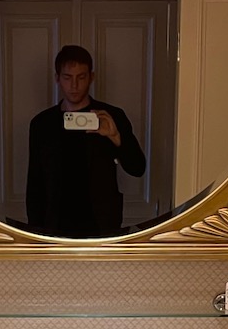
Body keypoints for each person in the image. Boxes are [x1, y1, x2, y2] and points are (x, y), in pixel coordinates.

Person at [25, 45, 147, 237]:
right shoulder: (42, 124)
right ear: (57, 78)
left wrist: (115, 137)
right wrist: (35, 233)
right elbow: (35, 184)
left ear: (91, 77)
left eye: (81, 77)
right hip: (55, 224)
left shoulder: (110, 116)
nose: (74, 86)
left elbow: (138, 167)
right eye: (67, 78)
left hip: (101, 223)